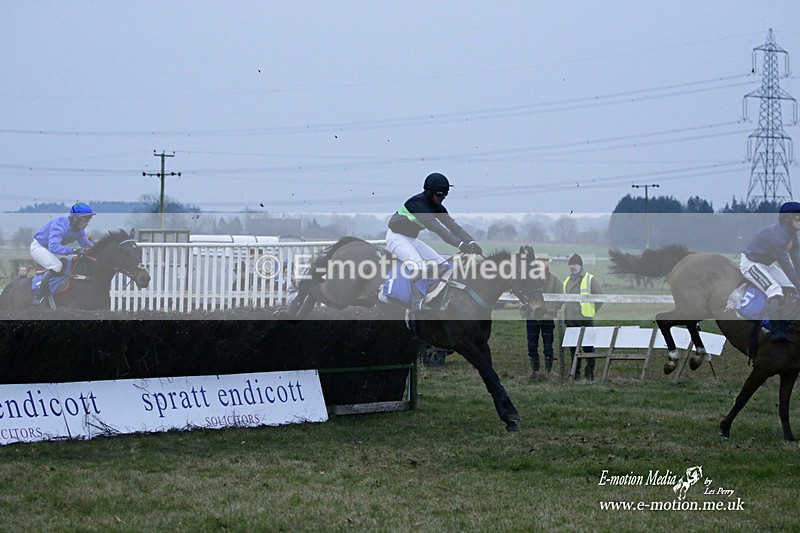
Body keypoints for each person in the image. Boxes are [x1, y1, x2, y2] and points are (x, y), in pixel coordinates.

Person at [386, 172, 483, 309]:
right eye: (439, 195)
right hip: (396, 238)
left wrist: (472, 242)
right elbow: (438, 229)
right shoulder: (417, 204)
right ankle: (415, 303)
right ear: (429, 191)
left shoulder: (437, 207)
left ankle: (437, 297)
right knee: (419, 268)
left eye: (445, 195)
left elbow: (452, 226)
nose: (442, 198)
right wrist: (460, 245)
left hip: (412, 240)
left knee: (442, 266)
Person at [740, 201, 800, 342]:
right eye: (798, 217)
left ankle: (786, 323)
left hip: (766, 265)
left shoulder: (793, 234)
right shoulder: (778, 236)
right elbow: (786, 265)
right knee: (775, 291)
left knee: (790, 288)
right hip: (751, 264)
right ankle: (774, 329)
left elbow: (796, 260)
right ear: (787, 219)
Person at [30, 202, 95, 304]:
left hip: (52, 249)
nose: (87, 223)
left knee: (71, 261)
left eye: (88, 220)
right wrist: (73, 250)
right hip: (39, 247)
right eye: (85, 220)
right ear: (75, 218)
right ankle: (39, 297)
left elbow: (85, 244)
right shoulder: (59, 224)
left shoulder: (79, 229)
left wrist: (97, 249)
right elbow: (53, 247)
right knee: (56, 266)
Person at [563, 253, 604, 380]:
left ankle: (589, 374)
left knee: (588, 347)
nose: (572, 267)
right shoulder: (566, 281)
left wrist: (591, 310)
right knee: (573, 348)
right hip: (570, 319)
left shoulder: (590, 279)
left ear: (580, 265)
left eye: (574, 264)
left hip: (585, 319)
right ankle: (575, 374)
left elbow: (600, 297)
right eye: (570, 264)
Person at [521, 253, 562, 376]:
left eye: (545, 261)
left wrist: (551, 309)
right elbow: (522, 296)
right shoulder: (529, 279)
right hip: (532, 317)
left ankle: (549, 371)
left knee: (548, 344)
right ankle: (535, 371)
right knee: (532, 344)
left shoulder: (555, 280)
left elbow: (560, 298)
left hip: (548, 318)